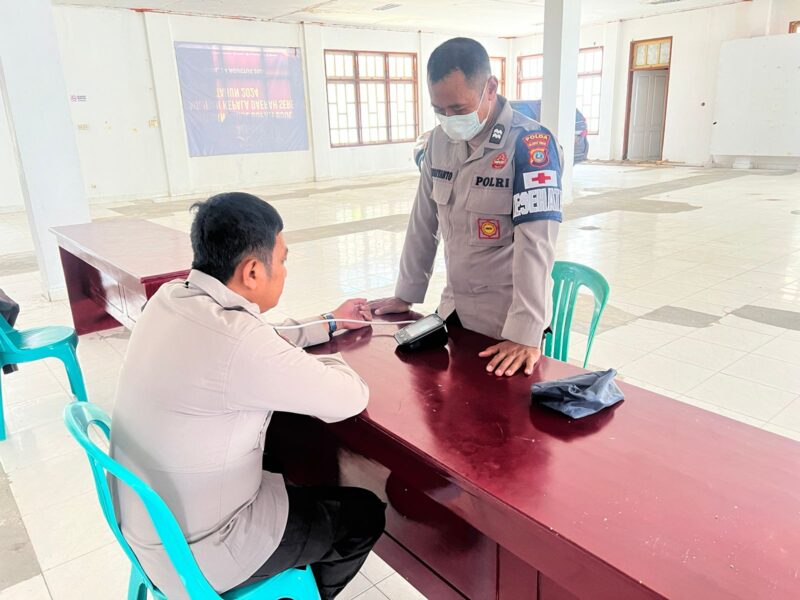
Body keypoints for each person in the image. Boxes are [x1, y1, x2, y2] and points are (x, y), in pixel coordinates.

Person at [110, 192, 386, 600]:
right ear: (253, 271)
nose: (285, 271)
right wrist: (331, 358)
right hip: (199, 553)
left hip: (148, 529)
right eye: (283, 260)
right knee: (363, 515)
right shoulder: (239, 343)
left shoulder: (171, 298)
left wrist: (329, 321)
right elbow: (349, 397)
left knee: (287, 456)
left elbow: (258, 342)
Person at [370, 37, 562, 378]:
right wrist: (405, 294)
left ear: (491, 88)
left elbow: (537, 245)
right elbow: (423, 220)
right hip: (454, 311)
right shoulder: (438, 142)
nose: (449, 119)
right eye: (439, 110)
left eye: (458, 109)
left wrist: (525, 333)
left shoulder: (531, 145)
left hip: (506, 325)